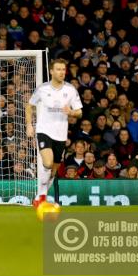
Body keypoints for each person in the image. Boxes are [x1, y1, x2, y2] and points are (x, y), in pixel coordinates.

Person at [26, 59, 82, 208]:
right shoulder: (42, 89)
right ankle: (42, 197)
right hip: (44, 130)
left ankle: (39, 196)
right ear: (51, 71)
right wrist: (29, 125)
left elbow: (80, 112)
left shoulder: (70, 90)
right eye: (58, 69)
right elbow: (29, 105)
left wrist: (71, 112)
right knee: (48, 163)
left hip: (61, 134)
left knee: (53, 170)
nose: (62, 72)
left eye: (63, 69)